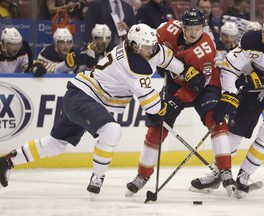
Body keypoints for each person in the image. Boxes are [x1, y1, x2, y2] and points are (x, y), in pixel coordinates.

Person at [0, 23, 189, 196]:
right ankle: (97, 178)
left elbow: (167, 58)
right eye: (147, 47)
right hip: (84, 98)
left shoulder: (145, 49)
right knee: (111, 130)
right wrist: (164, 107)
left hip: (79, 96)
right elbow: (152, 105)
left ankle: (7, 161)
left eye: (152, 45)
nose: (151, 49)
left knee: (55, 144)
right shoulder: (133, 65)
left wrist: (186, 72)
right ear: (134, 46)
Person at [126, 8, 235, 197]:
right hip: (175, 83)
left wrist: (177, 100)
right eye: (189, 28)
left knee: (215, 118)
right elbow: (152, 43)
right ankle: (142, 175)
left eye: (198, 28)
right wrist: (161, 63)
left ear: (203, 27)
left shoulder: (206, 50)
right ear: (182, 26)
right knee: (157, 126)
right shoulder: (167, 28)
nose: (193, 33)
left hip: (205, 86)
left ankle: (225, 171)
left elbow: (200, 84)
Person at [192, 11, 264, 199]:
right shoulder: (251, 41)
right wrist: (229, 94)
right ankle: (218, 172)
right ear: (263, 32)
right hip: (253, 89)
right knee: (234, 134)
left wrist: (261, 82)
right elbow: (229, 67)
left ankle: (245, 176)